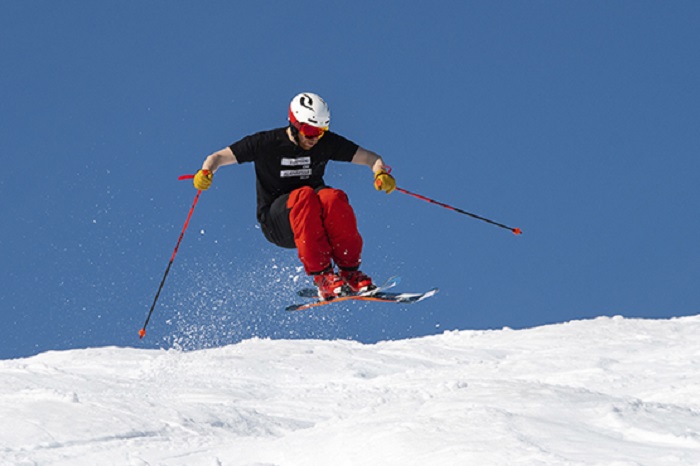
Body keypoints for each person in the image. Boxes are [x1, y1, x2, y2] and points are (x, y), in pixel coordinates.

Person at [193, 92, 396, 300]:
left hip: (312, 221)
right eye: (309, 130)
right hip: (278, 223)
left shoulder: (325, 143)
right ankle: (323, 277)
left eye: (321, 131)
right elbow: (216, 157)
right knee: (305, 195)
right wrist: (206, 171)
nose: (314, 137)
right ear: (294, 124)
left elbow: (372, 158)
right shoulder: (265, 143)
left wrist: (380, 172)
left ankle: (349, 272)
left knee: (333, 197)